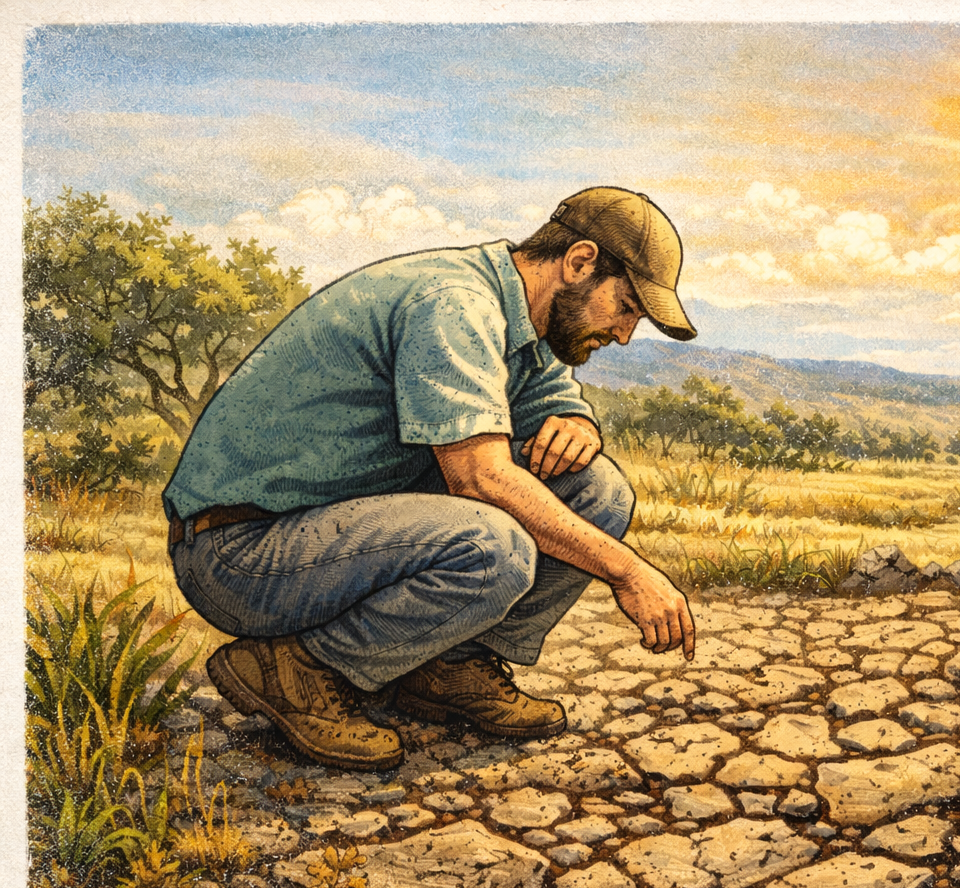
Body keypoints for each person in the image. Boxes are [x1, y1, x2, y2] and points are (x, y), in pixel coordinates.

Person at [163, 186, 698, 770]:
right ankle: (297, 669)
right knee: (494, 546)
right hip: (240, 554)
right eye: (625, 308)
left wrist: (574, 422)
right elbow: (480, 480)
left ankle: (448, 667)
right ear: (578, 262)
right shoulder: (456, 304)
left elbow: (549, 399)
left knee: (598, 491)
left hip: (334, 541)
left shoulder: (528, 317)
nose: (624, 334)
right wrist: (628, 570)